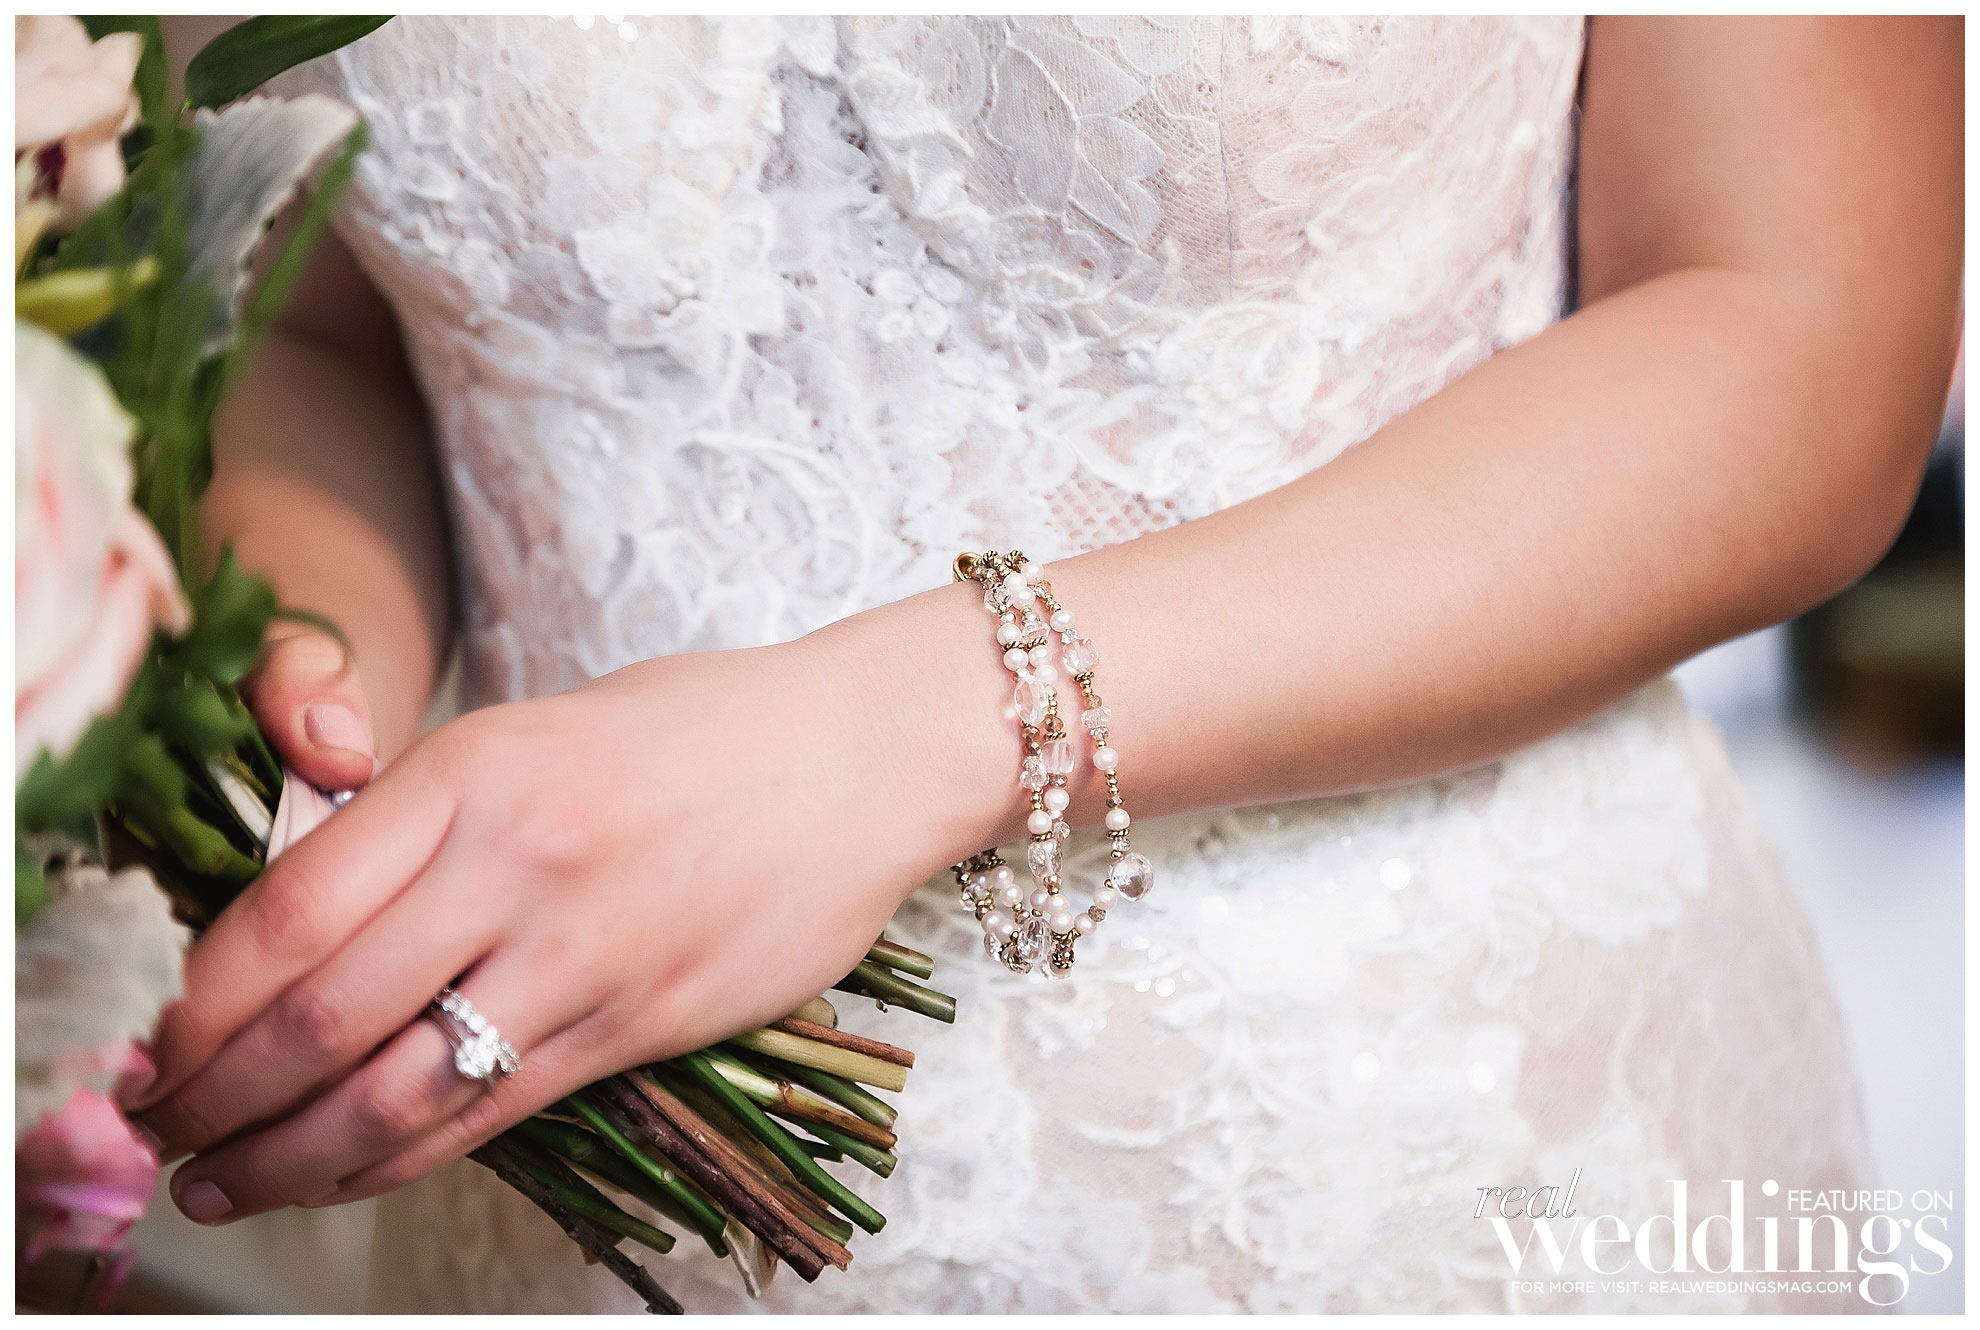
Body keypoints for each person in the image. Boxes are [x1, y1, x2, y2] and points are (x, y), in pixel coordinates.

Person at [132, 15, 1960, 1312]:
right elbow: (325, 312)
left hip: (1422, 1161)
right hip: (582, 1197)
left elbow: (1805, 324)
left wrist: (900, 730)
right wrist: (308, 696)